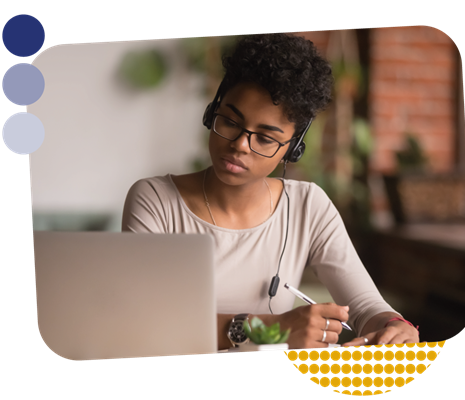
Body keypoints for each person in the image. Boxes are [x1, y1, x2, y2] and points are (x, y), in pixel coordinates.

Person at [121, 32, 420, 350]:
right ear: (212, 112)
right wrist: (271, 327)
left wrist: (393, 326)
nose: (239, 145)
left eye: (265, 138)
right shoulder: (155, 200)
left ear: (292, 150)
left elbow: (365, 306)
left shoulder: (308, 206)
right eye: (230, 121)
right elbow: (144, 320)